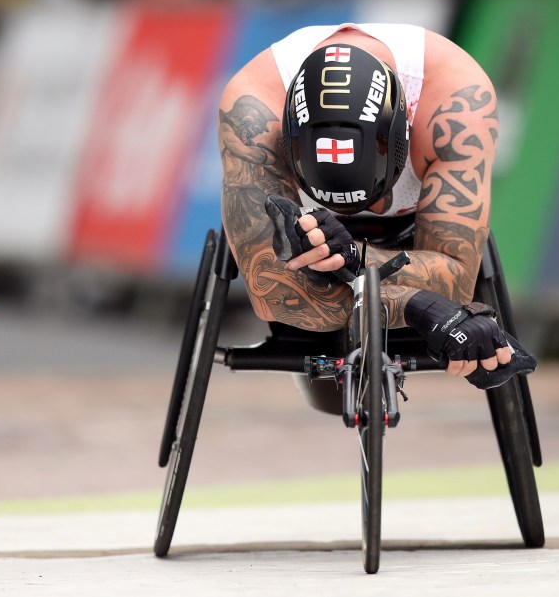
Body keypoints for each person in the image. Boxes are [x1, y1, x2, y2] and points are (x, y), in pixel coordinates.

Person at [218, 23, 535, 390]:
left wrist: (353, 256)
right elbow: (273, 294)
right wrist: (418, 304)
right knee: (319, 372)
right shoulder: (253, 111)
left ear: (403, 134)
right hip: (314, 245)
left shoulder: (456, 104)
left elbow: (457, 278)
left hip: (398, 237)